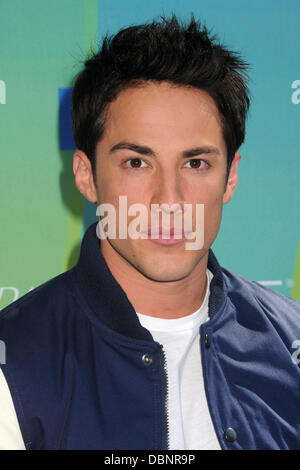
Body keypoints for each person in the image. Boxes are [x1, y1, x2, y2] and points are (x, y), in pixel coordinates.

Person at [0, 13, 300, 451]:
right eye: (137, 162)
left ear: (230, 178)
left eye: (195, 163)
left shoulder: (291, 342)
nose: (169, 201)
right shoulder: (14, 363)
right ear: (86, 175)